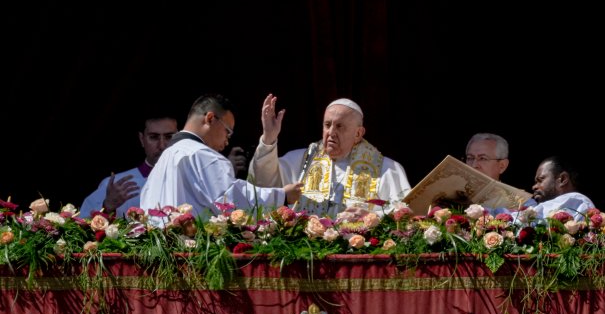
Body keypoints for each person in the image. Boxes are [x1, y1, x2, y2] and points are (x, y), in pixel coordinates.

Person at [249, 94, 411, 218]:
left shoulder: (387, 170)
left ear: (358, 133)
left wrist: (372, 217)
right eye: (327, 125)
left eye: (340, 126)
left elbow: (406, 213)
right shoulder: (301, 160)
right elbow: (263, 186)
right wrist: (269, 138)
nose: (331, 132)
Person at [139, 93, 295, 220]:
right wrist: (282, 196)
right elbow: (231, 201)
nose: (227, 141)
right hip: (194, 254)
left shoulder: (160, 164)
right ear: (210, 119)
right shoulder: (203, 155)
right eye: (228, 131)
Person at [80, 115, 179, 218]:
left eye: (169, 137)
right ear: (142, 139)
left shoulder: (192, 180)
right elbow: (81, 225)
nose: (162, 145)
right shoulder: (114, 185)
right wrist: (107, 207)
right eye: (154, 137)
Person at [527, 155, 594, 220]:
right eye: (535, 182)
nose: (534, 187)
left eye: (540, 180)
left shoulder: (579, 201)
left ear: (562, 179)